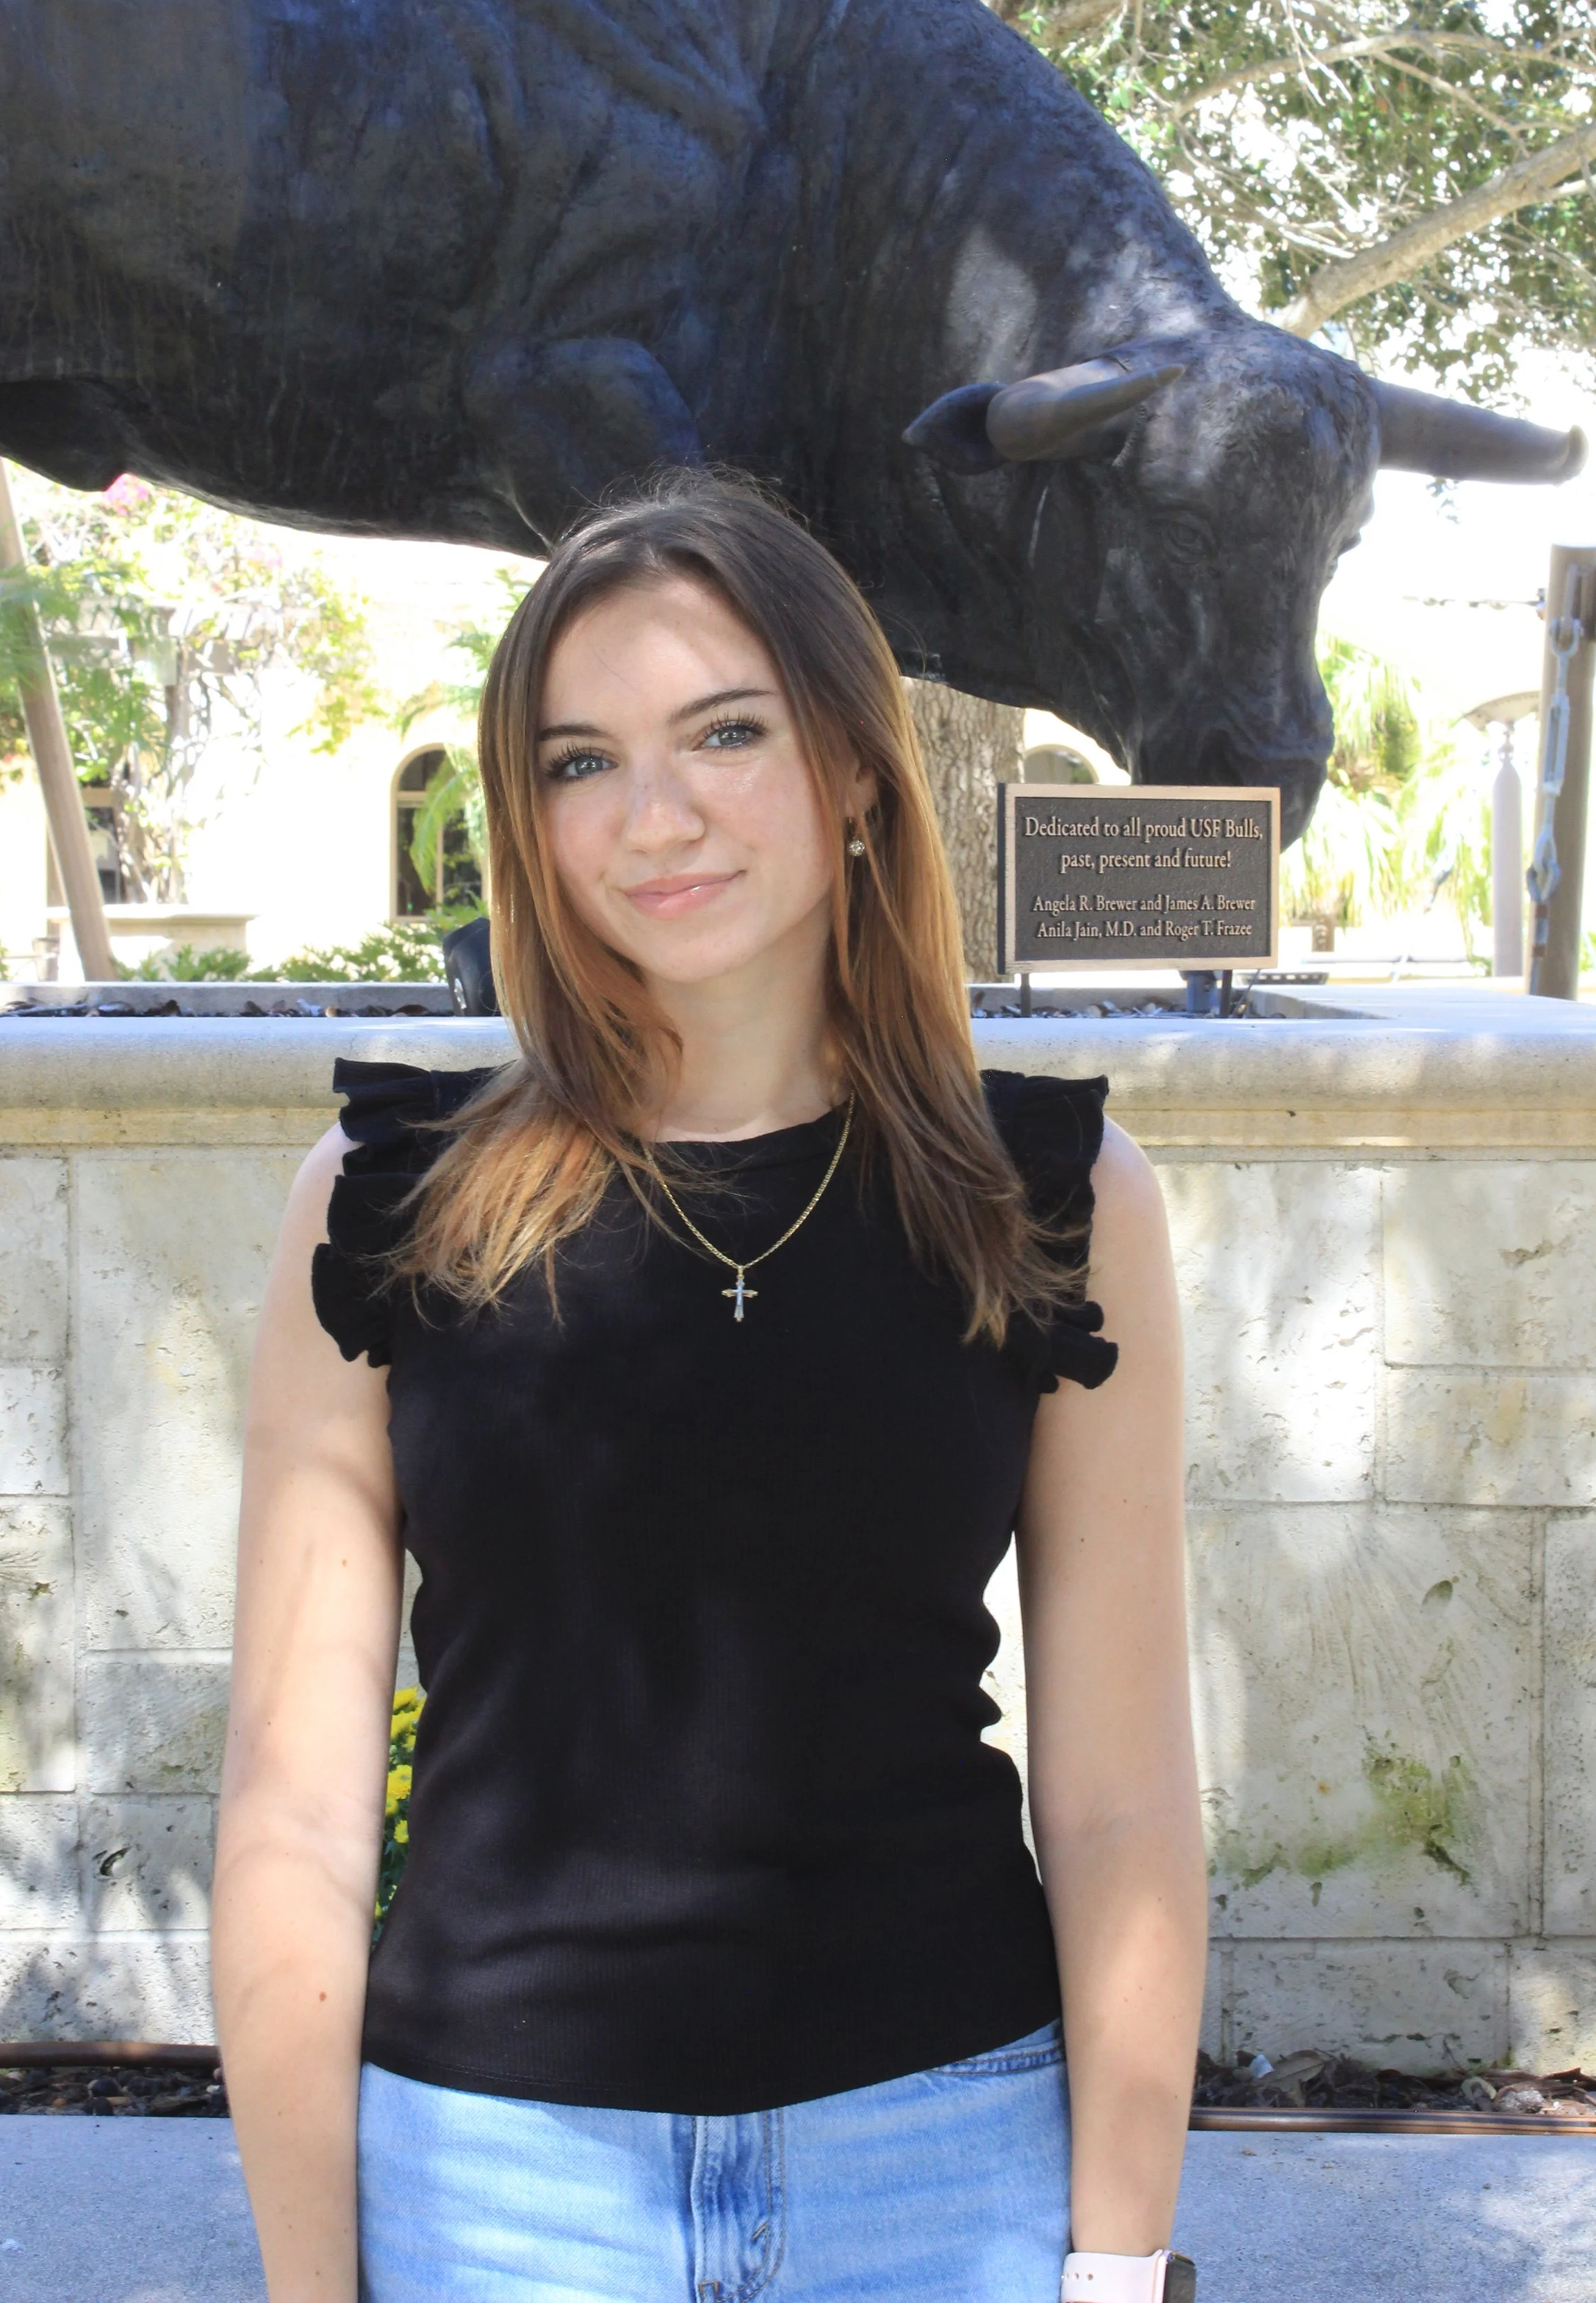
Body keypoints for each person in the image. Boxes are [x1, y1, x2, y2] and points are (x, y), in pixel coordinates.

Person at [212, 472, 1204, 2303]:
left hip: (941, 2160)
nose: (651, 814)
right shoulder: (384, 1207)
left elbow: (1123, 1802)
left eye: (722, 732)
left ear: (849, 774)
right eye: (581, 761)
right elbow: (290, 1810)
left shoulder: (1047, 1201)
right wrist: (306, 2282)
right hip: (495, 2180)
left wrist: (1115, 2266)